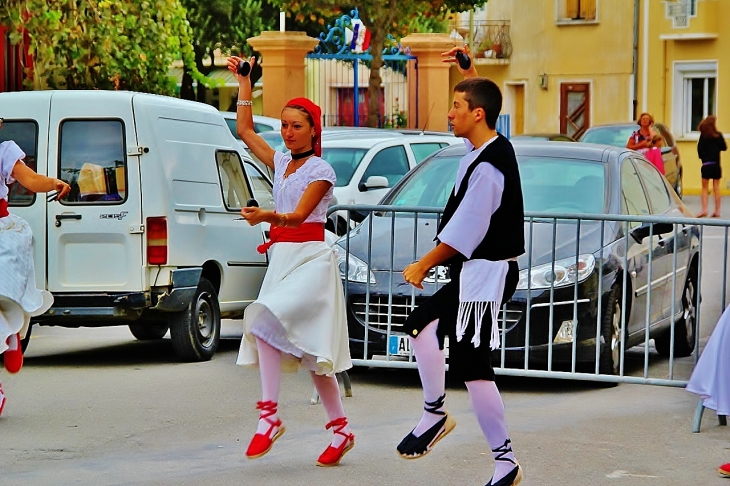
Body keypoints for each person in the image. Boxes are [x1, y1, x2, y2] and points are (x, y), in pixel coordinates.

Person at [395, 45, 523, 486]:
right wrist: (471, 73)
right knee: (421, 326)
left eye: (456, 106)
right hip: (474, 274)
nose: (449, 113)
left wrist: (423, 265)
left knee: (472, 366)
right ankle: (435, 415)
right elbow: (486, 98)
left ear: (478, 115)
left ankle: (504, 461)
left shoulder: (490, 167)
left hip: (487, 276)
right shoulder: (484, 146)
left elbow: (467, 228)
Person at [226, 55, 354, 467]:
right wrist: (246, 82)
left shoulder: (322, 170)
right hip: (282, 258)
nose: (287, 132)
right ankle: (341, 430)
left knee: (263, 320)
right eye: (283, 125)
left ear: (314, 130)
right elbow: (245, 130)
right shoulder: (282, 160)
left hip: (312, 260)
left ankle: (269, 418)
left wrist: (265, 215)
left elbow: (299, 216)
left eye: (296, 125)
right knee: (313, 353)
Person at [0, 127, 70, 416]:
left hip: (2, 230)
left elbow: (29, 179)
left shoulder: (4, 151)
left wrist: (52, 182)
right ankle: (8, 334)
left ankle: (11, 332)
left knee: (6, 293)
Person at [697, 115, 727, 218]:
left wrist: (703, 157)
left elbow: (699, 149)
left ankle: (704, 209)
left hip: (706, 165)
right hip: (716, 165)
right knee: (716, 188)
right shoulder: (718, 135)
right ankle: (717, 211)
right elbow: (724, 147)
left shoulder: (703, 136)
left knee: (705, 188)